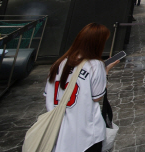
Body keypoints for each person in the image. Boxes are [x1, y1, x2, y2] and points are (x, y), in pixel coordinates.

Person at [44, 23, 119, 152]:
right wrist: (105, 71)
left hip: (57, 129)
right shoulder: (95, 65)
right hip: (85, 132)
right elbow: (97, 97)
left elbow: (48, 94)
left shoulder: (59, 63)